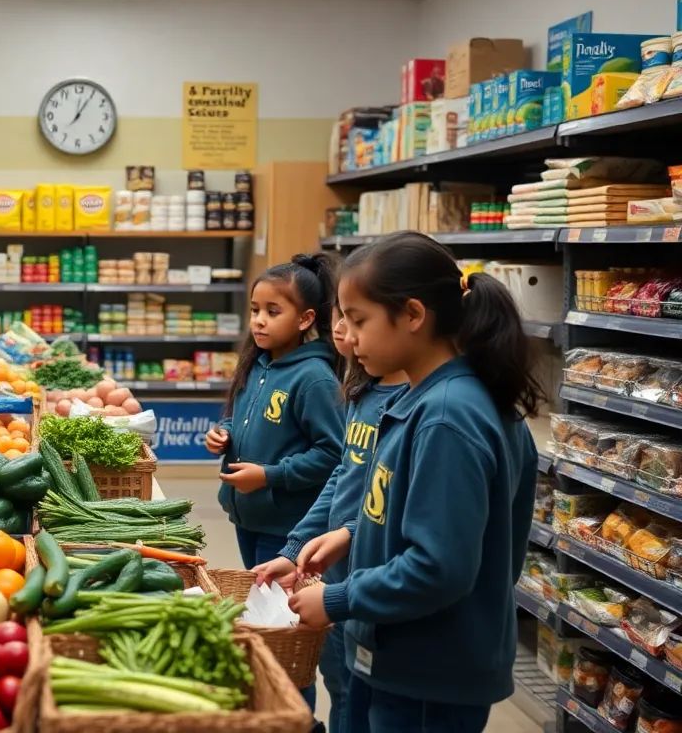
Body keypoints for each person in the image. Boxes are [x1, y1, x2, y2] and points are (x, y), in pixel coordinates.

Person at [287, 231, 543, 733]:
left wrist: (337, 599)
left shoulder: (447, 419)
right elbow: (430, 515)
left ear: (412, 315)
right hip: (402, 654)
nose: (348, 337)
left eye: (358, 320)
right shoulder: (426, 401)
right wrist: (353, 535)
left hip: (431, 669)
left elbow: (439, 567)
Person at [254, 305, 407, 733]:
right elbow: (341, 478)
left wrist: (350, 535)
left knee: (364, 704)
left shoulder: (418, 410)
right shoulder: (361, 391)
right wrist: (295, 547)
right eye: (340, 319)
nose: (343, 333)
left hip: (379, 591)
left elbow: (395, 510)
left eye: (356, 320)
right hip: (338, 582)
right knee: (342, 686)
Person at [206, 254, 344, 713]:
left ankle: (295, 715)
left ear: (306, 319)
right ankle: (274, 709)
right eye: (254, 309)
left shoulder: (315, 378)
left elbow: (332, 455)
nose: (259, 321)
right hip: (249, 518)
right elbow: (244, 420)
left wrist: (270, 475)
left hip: (288, 531)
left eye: (272, 311)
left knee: (285, 638)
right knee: (263, 624)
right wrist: (223, 433)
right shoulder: (258, 364)